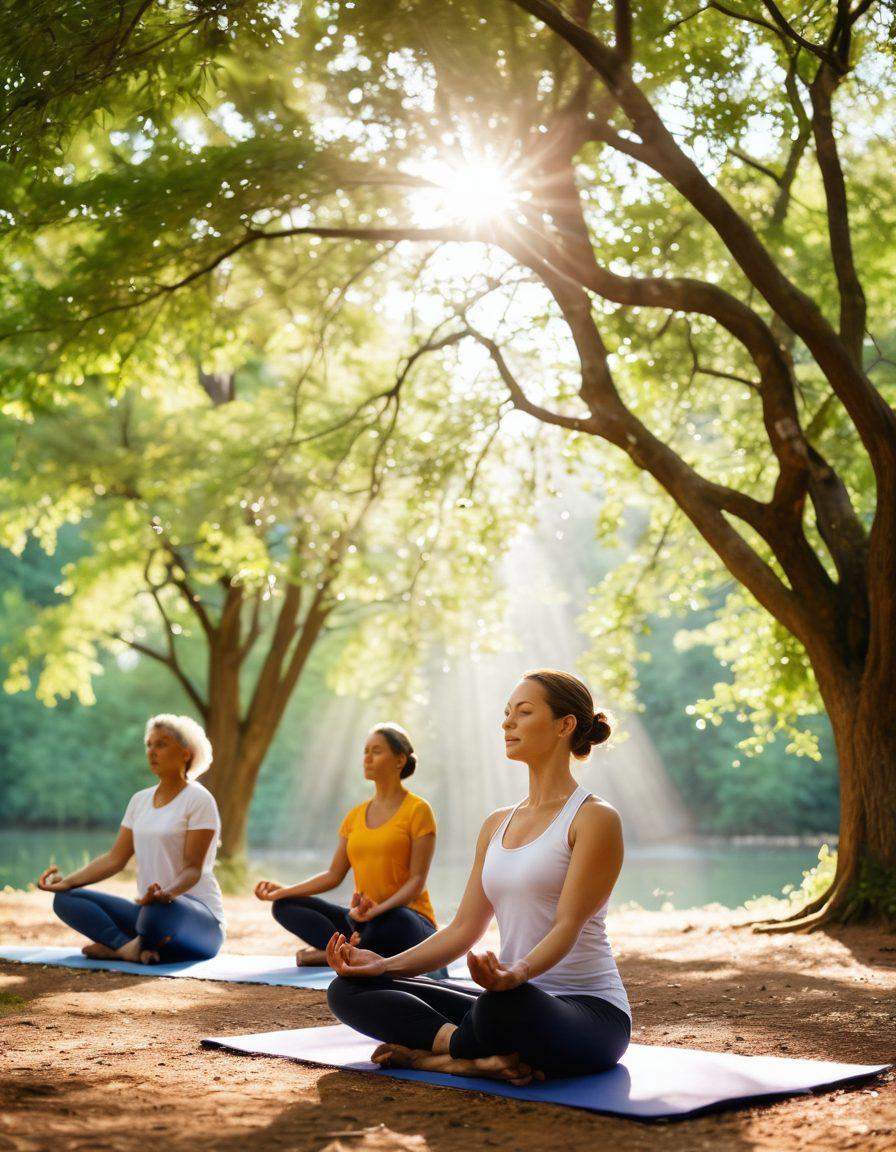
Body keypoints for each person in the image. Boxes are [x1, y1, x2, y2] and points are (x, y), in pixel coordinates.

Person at [325, 670, 631, 1085]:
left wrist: (516, 974)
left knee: (498, 1008)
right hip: (511, 994)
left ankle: (438, 1059)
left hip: (587, 1013)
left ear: (565, 725)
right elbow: (464, 928)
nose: (507, 723)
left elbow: (568, 925)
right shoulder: (496, 824)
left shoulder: (594, 818)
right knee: (348, 990)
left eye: (523, 712)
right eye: (506, 713)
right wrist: (384, 966)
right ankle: (469, 1055)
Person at [38, 714, 225, 965]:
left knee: (156, 914)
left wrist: (166, 894)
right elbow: (115, 858)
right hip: (148, 911)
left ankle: (127, 945)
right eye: (149, 744)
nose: (152, 751)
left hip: (197, 919)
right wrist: (66, 882)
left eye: (162, 744)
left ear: (185, 754)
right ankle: (128, 947)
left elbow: (193, 868)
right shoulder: (140, 801)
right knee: (67, 900)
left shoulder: (199, 800)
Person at [254, 723, 440, 966]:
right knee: (285, 907)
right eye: (365, 751)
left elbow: (416, 882)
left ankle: (334, 953)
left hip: (410, 919)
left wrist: (377, 910)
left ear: (399, 760)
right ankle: (352, 950)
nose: (367, 758)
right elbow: (333, 875)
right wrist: (284, 891)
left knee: (396, 921)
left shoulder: (418, 810)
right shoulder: (354, 816)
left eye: (376, 751)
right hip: (363, 921)